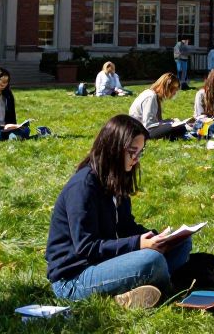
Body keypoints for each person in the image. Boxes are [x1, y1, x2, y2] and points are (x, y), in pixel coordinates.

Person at [46, 114, 193, 309]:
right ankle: (163, 287)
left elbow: (126, 227)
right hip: (74, 278)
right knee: (152, 260)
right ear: (113, 149)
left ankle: (134, 290)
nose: (136, 159)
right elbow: (86, 247)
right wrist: (139, 245)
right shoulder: (83, 186)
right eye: (132, 152)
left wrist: (158, 238)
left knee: (182, 244)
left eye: (140, 152)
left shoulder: (116, 179)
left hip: (104, 262)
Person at [128, 72, 189, 140]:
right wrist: (168, 124)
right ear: (167, 88)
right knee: (180, 128)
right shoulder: (151, 97)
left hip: (143, 128)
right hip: (142, 131)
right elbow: (148, 125)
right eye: (175, 90)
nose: (175, 93)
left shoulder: (152, 95)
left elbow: (154, 121)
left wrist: (168, 121)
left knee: (177, 126)